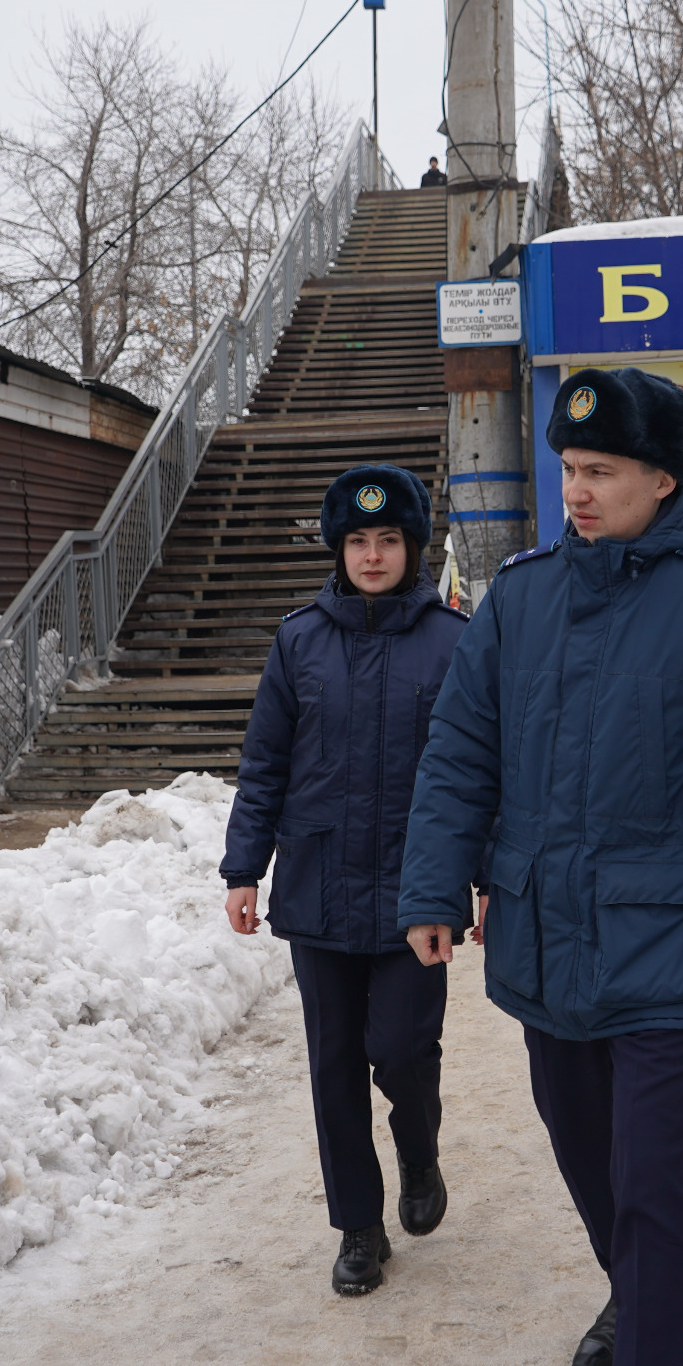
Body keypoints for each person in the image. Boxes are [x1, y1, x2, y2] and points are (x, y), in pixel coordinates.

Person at [398, 368, 683, 1366]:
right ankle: (637, 1292)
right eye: (569, 469)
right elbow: (459, 753)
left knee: (650, 1182)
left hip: (668, 951)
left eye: (602, 471)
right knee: (590, 1163)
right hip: (543, 939)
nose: (576, 490)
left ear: (662, 480)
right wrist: (433, 882)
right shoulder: (519, 599)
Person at [222, 463, 470, 1296]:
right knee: (333, 1065)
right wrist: (243, 868)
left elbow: (481, 772)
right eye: (357, 541)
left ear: (411, 547)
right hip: (318, 886)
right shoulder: (299, 641)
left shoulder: (454, 640)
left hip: (415, 891)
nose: (371, 556)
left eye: (387, 540)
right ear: (339, 549)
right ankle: (358, 1227)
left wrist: (484, 878)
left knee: (401, 1051)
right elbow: (265, 763)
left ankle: (419, 1151)